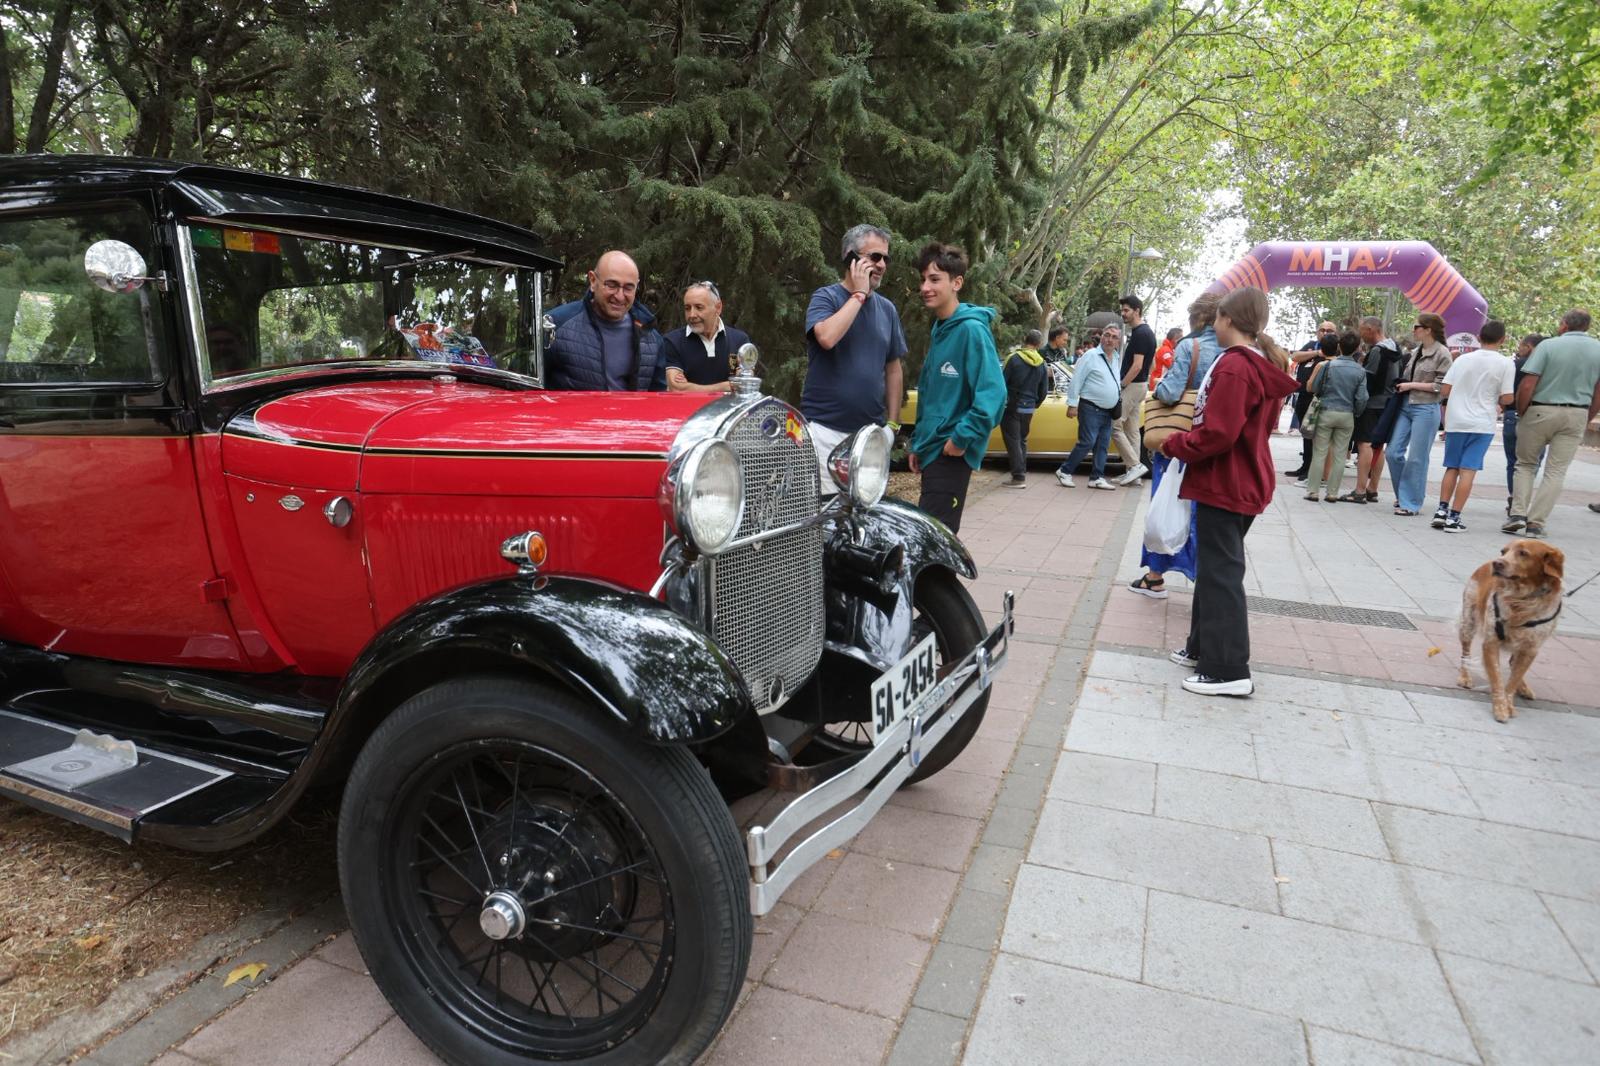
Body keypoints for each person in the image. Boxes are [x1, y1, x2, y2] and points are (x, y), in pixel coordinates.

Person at [1158, 286, 1297, 697]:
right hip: (1236, 479)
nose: (1212, 325)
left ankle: (1227, 669)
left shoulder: (1236, 367)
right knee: (1214, 568)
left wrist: (1173, 444)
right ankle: (1203, 647)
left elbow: (1219, 433)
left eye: (1217, 318)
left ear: (1228, 319)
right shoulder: (1248, 362)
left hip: (1228, 481)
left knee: (1221, 574)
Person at [1126, 293, 1221, 600]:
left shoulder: (1191, 346)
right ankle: (1206, 579)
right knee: (1205, 512)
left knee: (1167, 504)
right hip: (1215, 443)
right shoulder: (1234, 351)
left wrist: (1158, 389)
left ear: (1198, 318)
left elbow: (1170, 392)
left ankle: (1155, 577)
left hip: (1180, 441)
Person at [906, 243, 1006, 532]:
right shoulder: (941, 329)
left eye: (934, 279)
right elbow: (933, 395)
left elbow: (994, 394)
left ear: (957, 283)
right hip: (933, 450)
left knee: (934, 540)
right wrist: (918, 443)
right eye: (923, 279)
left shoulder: (971, 330)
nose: (925, 287)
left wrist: (962, 438)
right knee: (932, 538)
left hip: (950, 453)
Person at [803, 224, 908, 484]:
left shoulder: (887, 310)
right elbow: (827, 337)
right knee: (825, 507)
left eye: (885, 259)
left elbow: (893, 369)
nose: (881, 264)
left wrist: (892, 426)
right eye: (875, 257)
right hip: (825, 432)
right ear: (851, 258)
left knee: (867, 508)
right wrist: (859, 295)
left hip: (869, 437)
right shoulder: (825, 297)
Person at [1504, 308, 1600, 538]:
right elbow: (1598, 390)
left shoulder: (1548, 346)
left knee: (1525, 464)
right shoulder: (1598, 349)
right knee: (1556, 471)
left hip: (1540, 409)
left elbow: (1529, 383)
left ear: (1564, 324)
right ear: (1587, 326)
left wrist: (1522, 411)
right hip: (1577, 412)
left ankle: (1518, 515)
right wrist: (1587, 415)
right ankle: (1536, 523)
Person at [1433, 320, 1515, 532]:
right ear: (1503, 339)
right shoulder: (1506, 363)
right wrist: (1495, 399)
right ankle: (1454, 518)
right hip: (1481, 423)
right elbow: (1508, 397)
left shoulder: (1462, 360)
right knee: (1468, 470)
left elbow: (1444, 390)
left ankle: (1441, 511)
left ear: (1479, 337)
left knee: (1452, 466)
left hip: (1456, 420)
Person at [545, 250, 665, 390]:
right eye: (612, 285)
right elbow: (528, 389)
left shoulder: (650, 337)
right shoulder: (554, 326)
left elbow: (658, 397)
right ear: (593, 280)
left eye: (628, 288)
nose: (620, 296)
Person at [1386, 312, 1453, 516]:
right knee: (1392, 452)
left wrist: (1411, 385)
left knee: (1417, 458)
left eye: (1416, 327)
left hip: (1426, 408)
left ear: (1427, 330)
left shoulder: (1442, 353)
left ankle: (1411, 503)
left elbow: (1442, 387)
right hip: (1406, 405)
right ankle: (1404, 495)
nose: (1413, 330)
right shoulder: (1416, 351)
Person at [1054, 324, 1123, 490]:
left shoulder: (1115, 357)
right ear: (1102, 337)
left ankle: (1097, 477)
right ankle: (1064, 471)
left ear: (1118, 341)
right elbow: (1077, 379)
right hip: (1090, 407)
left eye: (1114, 337)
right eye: (1107, 335)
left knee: (1103, 445)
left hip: (1108, 410)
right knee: (1087, 442)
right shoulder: (1090, 355)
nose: (1110, 339)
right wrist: (1072, 404)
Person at [1304, 331, 1368, 502]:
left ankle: (1313, 491)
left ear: (1339, 346)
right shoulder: (1360, 371)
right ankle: (1332, 492)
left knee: (1320, 452)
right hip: (1347, 414)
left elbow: (1315, 387)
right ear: (1357, 348)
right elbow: (1362, 398)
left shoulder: (1328, 366)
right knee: (1340, 455)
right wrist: (1356, 412)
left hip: (1326, 411)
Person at [659, 280, 753, 394]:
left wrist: (691, 388)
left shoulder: (739, 340)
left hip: (729, 406)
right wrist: (729, 385)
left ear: (718, 307)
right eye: (687, 308)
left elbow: (745, 383)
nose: (692, 315)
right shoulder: (672, 341)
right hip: (689, 406)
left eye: (699, 307)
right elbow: (677, 388)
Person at [1349, 316, 1400, 504]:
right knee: (1378, 446)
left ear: (1371, 329)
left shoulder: (1378, 351)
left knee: (1365, 445)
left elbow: (1368, 381)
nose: (1361, 334)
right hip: (1388, 403)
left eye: (1362, 330)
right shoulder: (1395, 348)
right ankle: (1373, 488)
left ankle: (1360, 490)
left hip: (1372, 404)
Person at [1112, 295, 1155, 485]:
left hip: (1133, 385)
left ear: (1137, 311)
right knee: (1131, 430)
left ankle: (1135, 466)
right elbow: (1151, 365)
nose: (1123, 313)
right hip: (1140, 385)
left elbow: (1137, 365)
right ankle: (1134, 474)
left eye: (1126, 310)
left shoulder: (1141, 333)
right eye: (1122, 310)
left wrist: (1122, 385)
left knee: (1114, 425)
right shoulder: (1145, 332)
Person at [1001, 329, 1051, 488]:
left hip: (1012, 406)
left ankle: (1018, 477)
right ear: (1039, 344)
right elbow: (1043, 391)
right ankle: (1021, 472)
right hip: (1029, 408)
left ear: (1025, 339)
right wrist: (1035, 404)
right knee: (1021, 440)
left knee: (1013, 441)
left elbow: (1002, 383)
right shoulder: (1042, 363)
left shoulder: (1013, 359)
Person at [1502, 333, 1546, 512]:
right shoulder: (1546, 366)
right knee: (1533, 461)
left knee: (1513, 461)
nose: (1519, 349)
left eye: (1521, 345)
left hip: (1512, 413)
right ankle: (1522, 498)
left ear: (1529, 346)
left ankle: (1515, 497)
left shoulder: (1516, 364)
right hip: (1538, 415)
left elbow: (1504, 391)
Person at [1285, 333, 1336, 483]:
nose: (1325, 332)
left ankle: (1313, 471)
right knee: (1306, 433)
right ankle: (1305, 466)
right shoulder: (1311, 345)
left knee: (1315, 436)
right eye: (1322, 329)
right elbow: (1295, 356)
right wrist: (1316, 353)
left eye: (1329, 330)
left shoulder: (1333, 354)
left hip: (1317, 399)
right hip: (1303, 396)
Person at [1147, 326, 1184, 392]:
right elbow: (1173, 367)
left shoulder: (1169, 350)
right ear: (1176, 339)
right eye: (1182, 339)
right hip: (1158, 384)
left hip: (1160, 382)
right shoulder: (1165, 351)